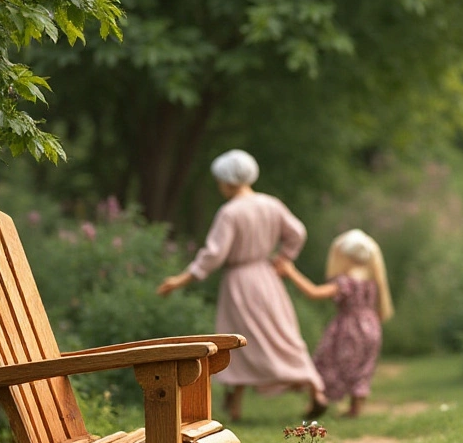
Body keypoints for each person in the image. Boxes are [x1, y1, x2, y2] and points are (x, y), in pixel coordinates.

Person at [157, 149, 327, 420]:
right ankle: (314, 389)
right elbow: (297, 233)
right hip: (267, 277)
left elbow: (213, 254)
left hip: (240, 282)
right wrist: (284, 259)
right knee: (283, 334)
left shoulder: (230, 212)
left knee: (236, 340)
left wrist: (181, 279)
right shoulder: (271, 204)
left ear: (226, 181)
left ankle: (234, 406)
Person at [274, 229, 393, 417]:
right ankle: (356, 407)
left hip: (348, 329)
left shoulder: (346, 281)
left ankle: (319, 399)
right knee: (363, 366)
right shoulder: (372, 279)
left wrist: (291, 272)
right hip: (372, 327)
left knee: (326, 362)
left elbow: (314, 292)